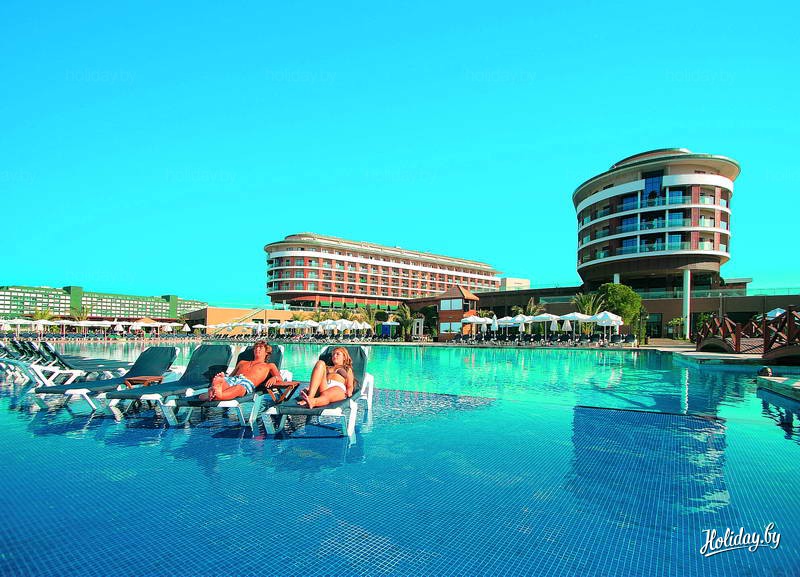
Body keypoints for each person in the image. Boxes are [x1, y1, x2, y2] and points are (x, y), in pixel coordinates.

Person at [202, 340, 282, 401]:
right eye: (255, 347)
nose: (257, 349)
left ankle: (217, 395)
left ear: (267, 352)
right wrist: (224, 381)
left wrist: (274, 378)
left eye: (260, 347)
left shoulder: (269, 365)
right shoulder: (242, 362)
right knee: (224, 382)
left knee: (238, 388)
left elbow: (279, 378)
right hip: (233, 379)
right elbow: (231, 376)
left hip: (246, 383)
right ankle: (216, 390)